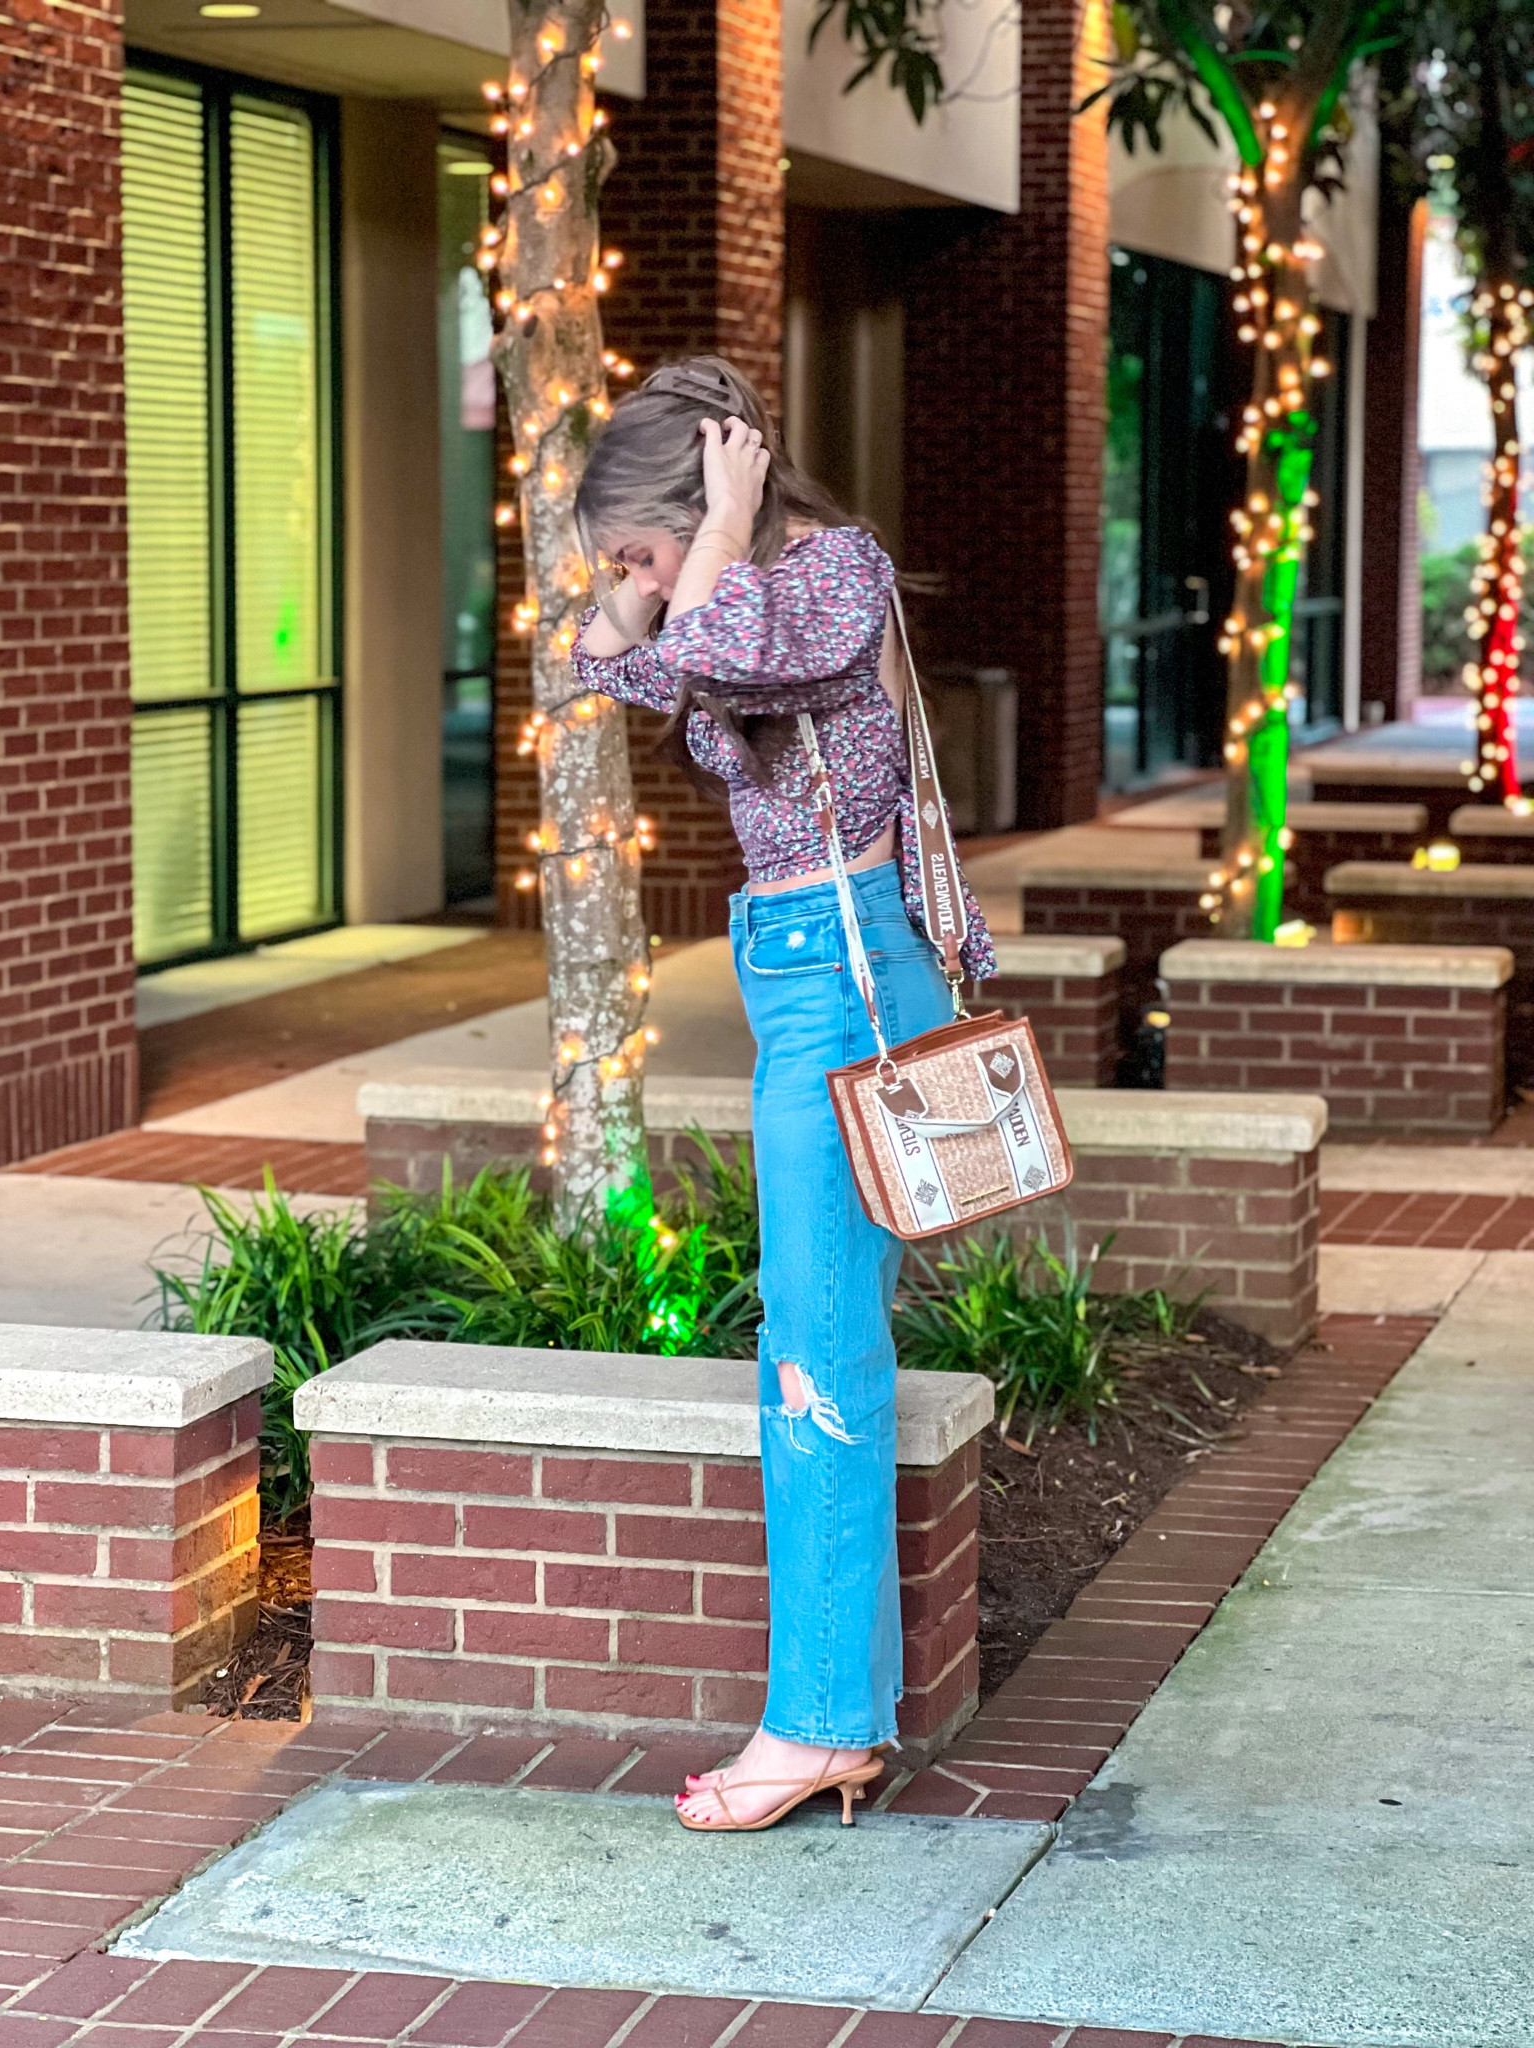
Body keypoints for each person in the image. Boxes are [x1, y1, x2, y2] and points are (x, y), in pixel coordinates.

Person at [571, 356, 995, 1832]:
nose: (629, 577)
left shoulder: (826, 578)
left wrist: (728, 525)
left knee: (816, 1355)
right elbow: (602, 659)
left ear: (716, 500)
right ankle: (839, 1712)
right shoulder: (738, 587)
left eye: (639, 542)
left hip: (846, 961)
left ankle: (817, 1725)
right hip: (796, 959)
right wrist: (650, 569)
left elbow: (714, 644)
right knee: (815, 1341)